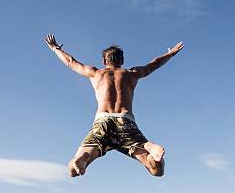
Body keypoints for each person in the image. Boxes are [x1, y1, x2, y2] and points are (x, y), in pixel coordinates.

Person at [44, 34, 184, 177]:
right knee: (156, 171)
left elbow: (71, 62)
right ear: (122, 60)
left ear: (104, 61)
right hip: (126, 122)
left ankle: (81, 160)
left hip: (102, 122)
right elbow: (154, 64)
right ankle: (148, 148)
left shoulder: (95, 73)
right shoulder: (132, 73)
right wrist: (170, 53)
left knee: (74, 169)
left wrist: (55, 48)